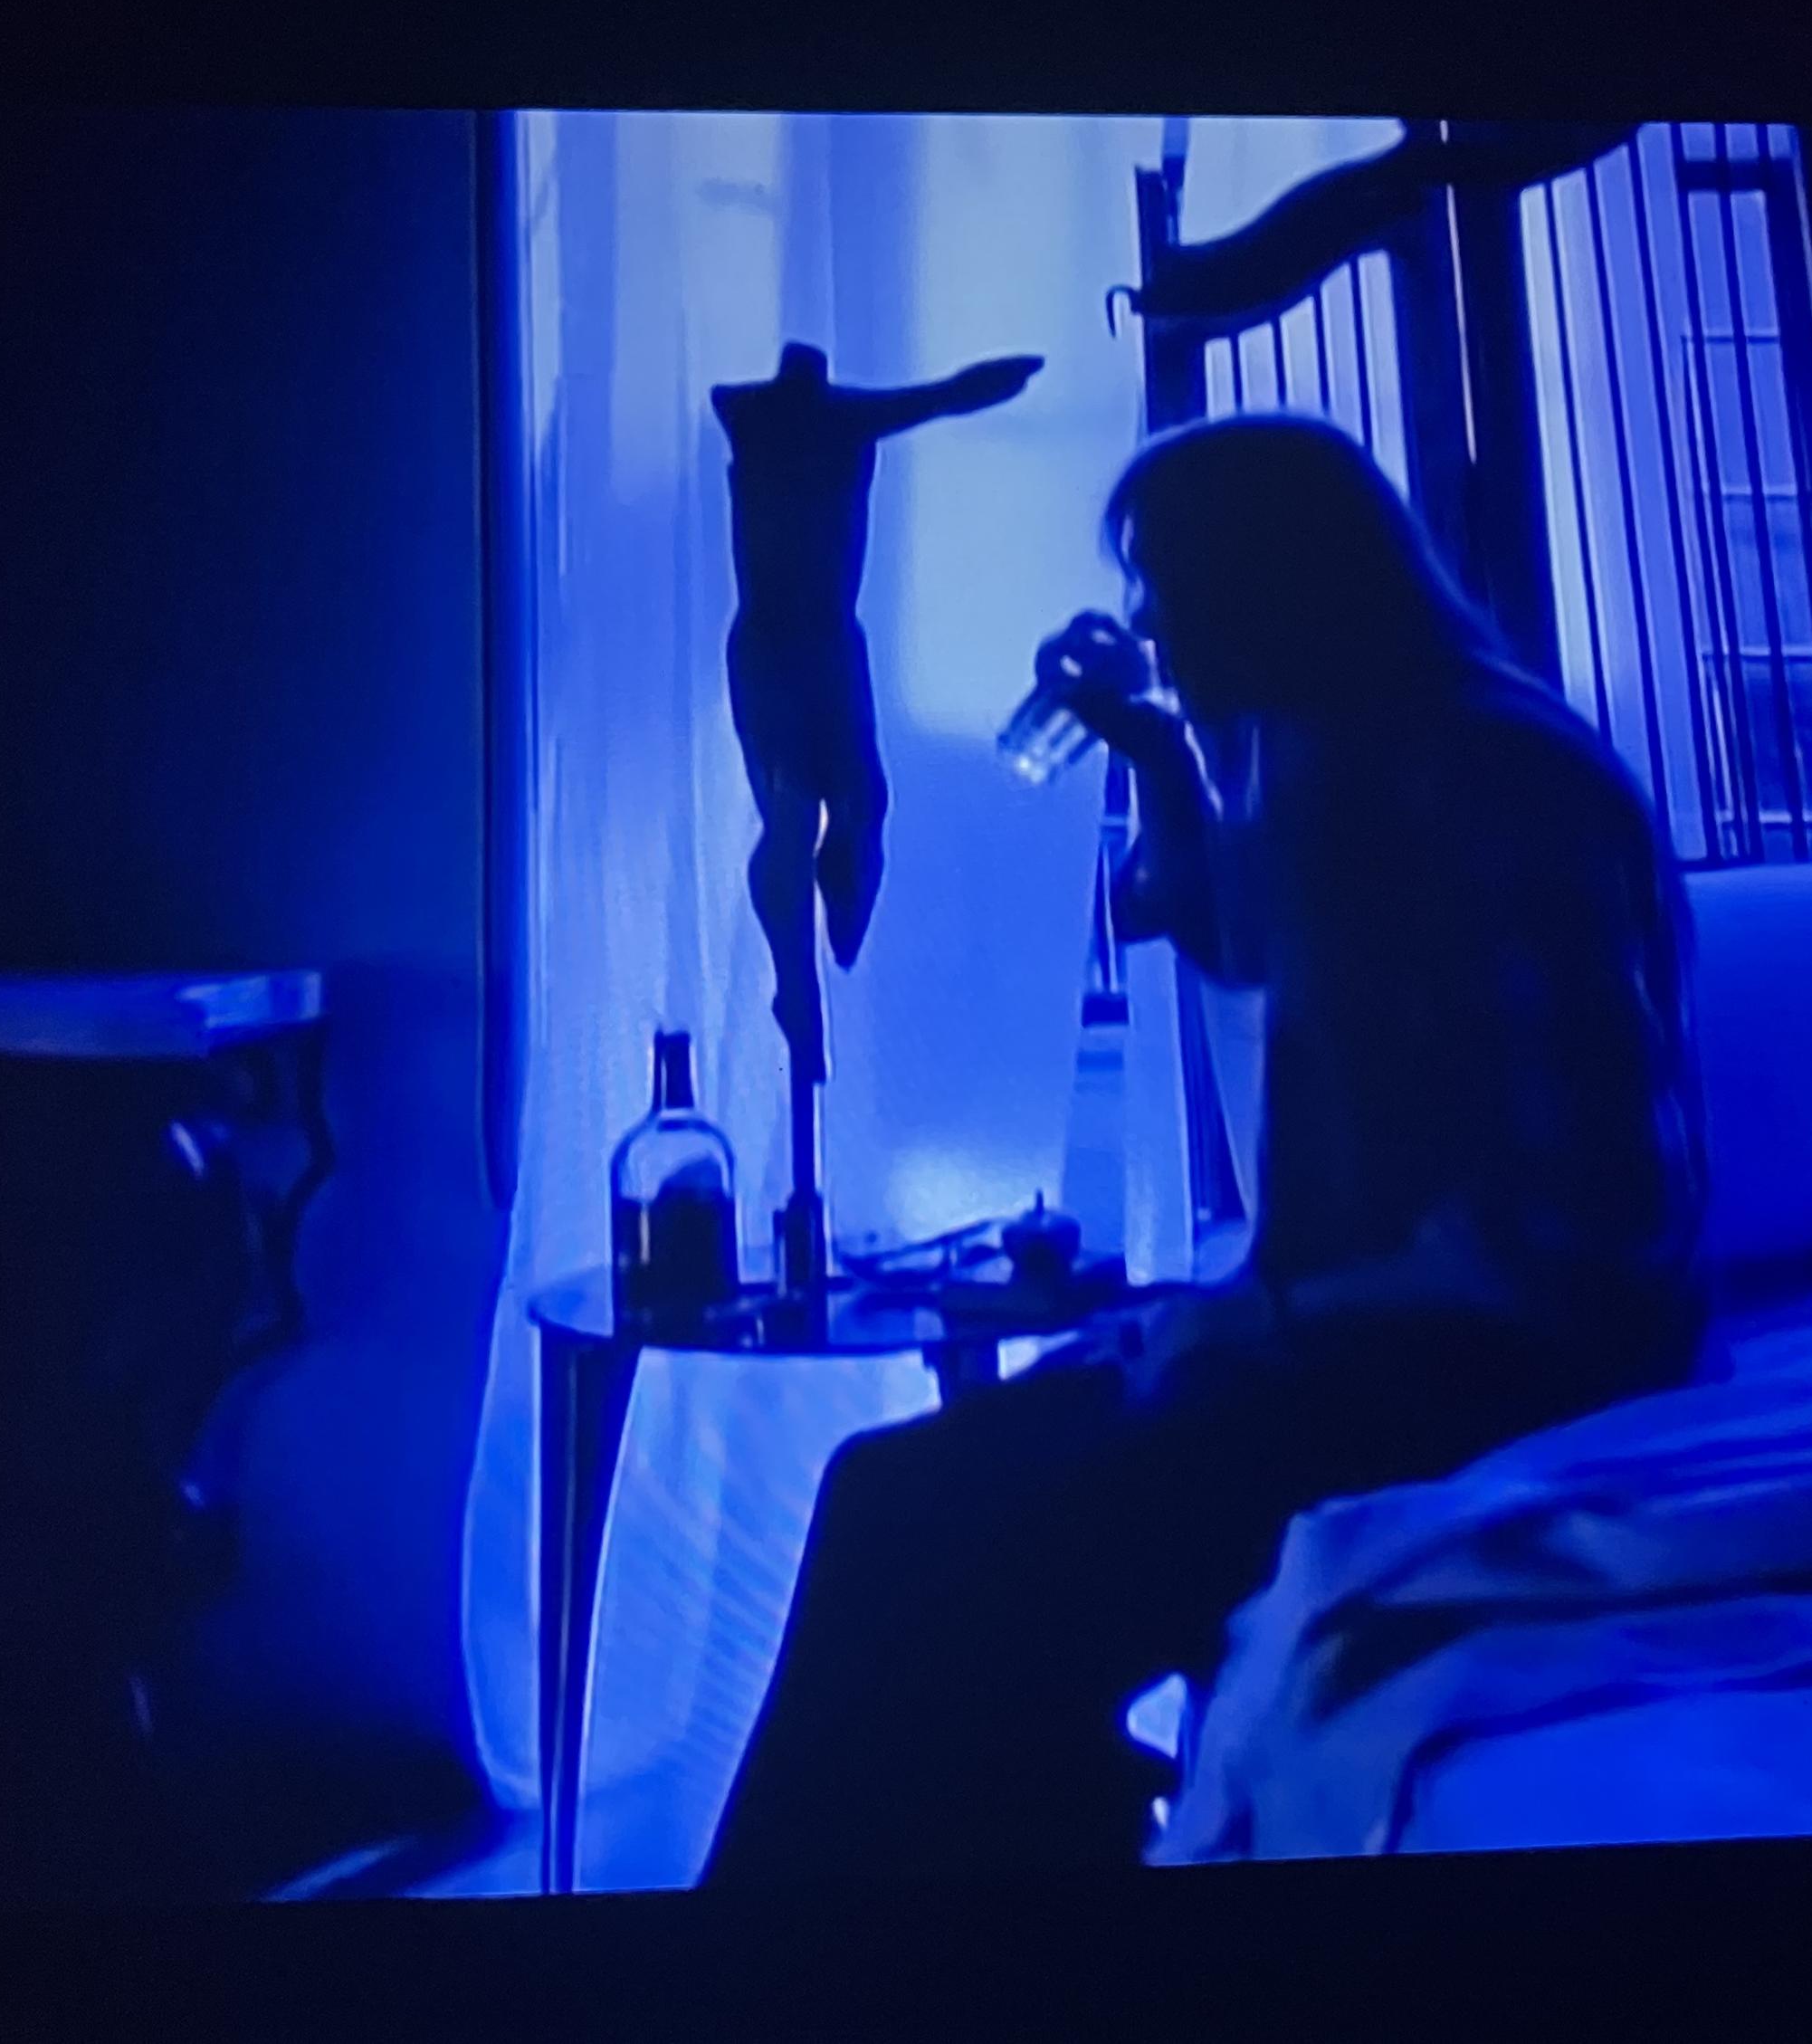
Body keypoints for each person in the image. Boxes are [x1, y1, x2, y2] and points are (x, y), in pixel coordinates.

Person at [701, 412, 1706, 1886]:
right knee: (881, 1491)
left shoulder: (1489, 779)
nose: (1152, 617)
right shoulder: (1341, 750)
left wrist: (1260, 1316)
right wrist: (1157, 747)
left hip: (1496, 1383)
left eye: (1169, 580)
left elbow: (1576, 1241)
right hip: (1355, 1338)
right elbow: (1239, 927)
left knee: (954, 1564)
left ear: (1273, 578)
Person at [713, 342, 1043, 1073]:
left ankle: (834, 927)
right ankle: (795, 986)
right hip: (774, 646)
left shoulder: (839, 416)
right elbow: (948, 391)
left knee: (861, 803)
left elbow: (950, 391)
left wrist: (999, 377)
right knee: (791, 814)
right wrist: (992, 379)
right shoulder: (749, 408)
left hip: (829, 642)